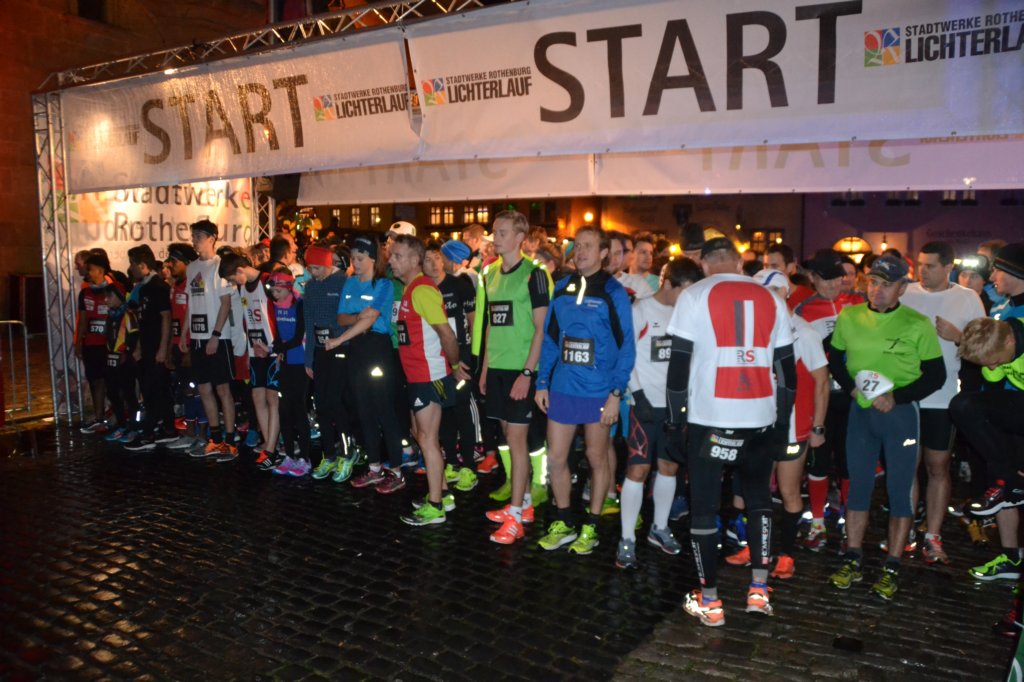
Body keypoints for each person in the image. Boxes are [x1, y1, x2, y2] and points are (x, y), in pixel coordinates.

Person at [666, 237, 795, 627]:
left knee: (704, 508)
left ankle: (711, 601)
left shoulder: (694, 295)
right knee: (758, 500)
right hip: (760, 417)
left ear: (704, 265)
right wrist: (782, 424)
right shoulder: (772, 298)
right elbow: (787, 372)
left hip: (711, 418)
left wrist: (674, 422)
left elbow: (678, 367)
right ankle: (759, 591)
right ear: (739, 264)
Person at [827, 255, 945, 601]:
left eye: (886, 284)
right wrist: (851, 389)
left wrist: (897, 396)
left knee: (899, 490)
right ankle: (852, 557)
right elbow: (835, 359)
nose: (877, 290)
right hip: (861, 414)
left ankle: (892, 565)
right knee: (858, 486)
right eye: (873, 282)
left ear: (902, 288)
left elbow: (936, 376)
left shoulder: (917, 323)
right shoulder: (849, 317)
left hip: (900, 416)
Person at [535, 226, 635, 555]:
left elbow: (627, 348)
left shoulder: (613, 292)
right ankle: (564, 521)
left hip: (598, 390)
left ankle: (591, 526)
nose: (580, 252)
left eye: (588, 246)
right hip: (564, 387)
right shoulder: (562, 286)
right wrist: (542, 381)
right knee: (556, 458)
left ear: (604, 253)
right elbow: (551, 339)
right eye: (577, 246)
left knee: (596, 456)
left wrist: (615, 394)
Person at [899, 241, 985, 563]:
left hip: (943, 397)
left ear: (949, 267)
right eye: (920, 264)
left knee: (937, 466)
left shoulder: (967, 298)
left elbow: (985, 348)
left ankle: (933, 536)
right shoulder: (905, 293)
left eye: (931, 265)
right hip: (907, 396)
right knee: (907, 466)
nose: (923, 271)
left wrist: (958, 337)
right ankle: (905, 530)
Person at [615, 257, 701, 569]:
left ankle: (659, 528)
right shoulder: (640, 310)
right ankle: (627, 538)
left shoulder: (688, 314)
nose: (687, 297)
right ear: (668, 283)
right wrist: (637, 395)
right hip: (644, 404)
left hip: (675, 406)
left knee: (669, 467)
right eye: (684, 290)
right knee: (637, 470)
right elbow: (627, 356)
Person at [473, 211, 553, 544]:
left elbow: (541, 329)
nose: (496, 237)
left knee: (518, 442)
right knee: (507, 434)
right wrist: (486, 368)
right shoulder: (490, 272)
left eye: (503, 232)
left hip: (522, 369)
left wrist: (527, 373)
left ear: (520, 237)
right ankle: (524, 503)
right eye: (495, 231)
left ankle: (516, 516)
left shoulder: (534, 274)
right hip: (498, 369)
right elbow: (492, 323)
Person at [389, 235, 469, 526]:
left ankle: (435, 507)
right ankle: (443, 494)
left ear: (415, 260)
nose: (391, 260)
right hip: (417, 375)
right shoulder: (410, 288)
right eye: (391, 255)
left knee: (427, 439)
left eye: (398, 256)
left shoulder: (422, 289)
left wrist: (455, 365)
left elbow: (447, 333)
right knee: (420, 433)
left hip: (428, 375)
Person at [956, 243, 1024, 583]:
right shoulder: (1006, 307)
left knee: (1010, 477)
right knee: (1006, 480)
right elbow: (993, 376)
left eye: (998, 270)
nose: (992, 276)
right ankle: (1011, 557)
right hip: (1012, 405)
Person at [794, 249, 864, 552]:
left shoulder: (860, 302)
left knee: (849, 463)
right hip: (819, 395)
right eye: (827, 279)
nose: (835, 284)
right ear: (812, 278)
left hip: (853, 395)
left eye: (839, 277)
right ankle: (818, 523)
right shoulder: (802, 309)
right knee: (819, 461)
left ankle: (850, 523)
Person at [328, 236, 407, 492]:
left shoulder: (383, 284)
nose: (356, 263)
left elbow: (371, 318)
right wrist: (356, 319)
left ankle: (396, 470)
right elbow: (341, 317)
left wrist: (340, 339)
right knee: (363, 410)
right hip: (357, 350)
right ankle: (374, 468)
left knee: (384, 410)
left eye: (360, 258)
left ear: (373, 258)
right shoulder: (350, 282)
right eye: (353, 258)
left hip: (377, 349)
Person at [178, 219, 238, 461]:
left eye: (198, 236)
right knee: (203, 388)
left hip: (218, 337)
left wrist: (216, 334)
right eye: (193, 236)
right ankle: (214, 438)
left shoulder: (220, 266)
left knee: (223, 388)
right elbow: (190, 305)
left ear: (212, 238)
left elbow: (226, 303)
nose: (194, 241)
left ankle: (230, 441)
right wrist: (185, 333)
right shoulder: (192, 268)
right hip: (197, 337)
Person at [427, 240, 479, 494]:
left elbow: (474, 321)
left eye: (436, 258)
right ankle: (450, 462)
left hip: (461, 357)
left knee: (461, 409)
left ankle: (469, 466)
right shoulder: (422, 289)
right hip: (436, 360)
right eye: (427, 260)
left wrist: (472, 356)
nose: (432, 264)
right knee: (444, 412)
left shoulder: (460, 285)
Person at [220, 252, 280, 470]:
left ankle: (271, 448)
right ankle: (269, 442)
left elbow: (280, 315)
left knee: (272, 398)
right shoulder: (243, 288)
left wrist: (278, 349)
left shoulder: (267, 281)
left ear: (240, 270)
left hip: (273, 351)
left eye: (233, 279)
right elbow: (247, 320)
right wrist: (249, 350)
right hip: (255, 350)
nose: (234, 284)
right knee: (257, 396)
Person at [301, 244, 356, 482]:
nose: (314, 273)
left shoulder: (343, 282)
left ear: (327, 264)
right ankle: (329, 454)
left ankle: (347, 452)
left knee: (335, 401)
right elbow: (309, 323)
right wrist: (309, 358)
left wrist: (340, 337)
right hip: (320, 351)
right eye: (310, 268)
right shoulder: (311, 287)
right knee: (321, 404)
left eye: (317, 268)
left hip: (341, 348)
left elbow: (351, 317)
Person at [123, 245, 175, 451]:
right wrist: (138, 346)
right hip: (146, 345)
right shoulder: (144, 288)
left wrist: (163, 349)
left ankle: (153, 430)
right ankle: (163, 427)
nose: (131, 268)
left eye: (133, 264)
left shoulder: (158, 287)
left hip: (156, 345)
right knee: (150, 387)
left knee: (156, 387)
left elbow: (166, 317)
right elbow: (142, 321)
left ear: (143, 265)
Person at [163, 244, 203, 452]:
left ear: (187, 263)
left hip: (191, 346)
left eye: (174, 261)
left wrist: (189, 347)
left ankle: (201, 434)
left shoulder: (194, 283)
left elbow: (195, 314)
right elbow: (174, 318)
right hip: (178, 345)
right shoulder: (175, 285)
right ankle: (189, 432)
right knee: (186, 389)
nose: (170, 265)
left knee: (196, 390)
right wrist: (171, 346)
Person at [76, 253, 114, 434]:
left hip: (109, 345)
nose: (87, 273)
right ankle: (99, 418)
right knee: (94, 380)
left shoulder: (113, 290)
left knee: (111, 382)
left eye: (90, 269)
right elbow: (82, 320)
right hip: (90, 344)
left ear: (100, 270)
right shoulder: (85, 293)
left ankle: (117, 417)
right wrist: (78, 343)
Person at [102, 274, 141, 445]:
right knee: (112, 392)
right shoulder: (110, 316)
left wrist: (128, 352)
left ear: (119, 296)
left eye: (109, 296)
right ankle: (121, 424)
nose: (106, 300)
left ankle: (135, 427)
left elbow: (134, 335)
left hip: (125, 362)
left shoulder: (128, 315)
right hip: (111, 361)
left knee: (129, 394)